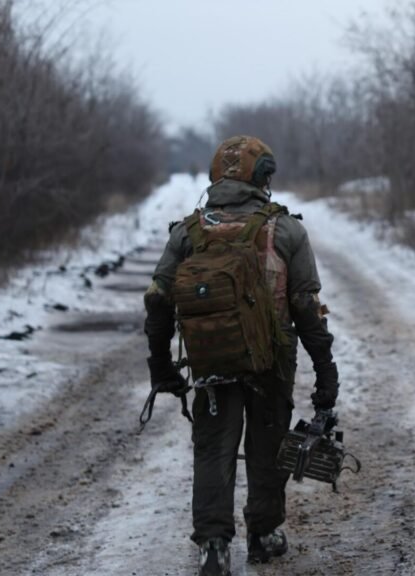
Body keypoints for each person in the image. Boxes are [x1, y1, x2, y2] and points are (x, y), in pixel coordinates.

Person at [143, 135, 339, 576]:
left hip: (211, 362)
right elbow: (307, 308)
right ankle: (264, 534)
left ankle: (213, 546)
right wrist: (327, 375)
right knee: (268, 446)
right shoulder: (286, 230)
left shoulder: (188, 231)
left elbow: (157, 300)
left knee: (213, 449)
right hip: (272, 362)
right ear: (263, 177)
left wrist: (160, 367)